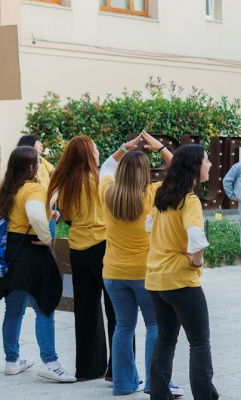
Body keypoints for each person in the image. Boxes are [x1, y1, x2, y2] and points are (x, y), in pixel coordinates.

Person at [98, 133, 184, 397]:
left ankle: (123, 384)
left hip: (113, 273)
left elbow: (106, 168)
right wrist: (160, 148)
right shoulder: (153, 194)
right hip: (146, 274)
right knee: (154, 326)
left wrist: (124, 147)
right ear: (145, 172)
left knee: (123, 326)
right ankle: (154, 383)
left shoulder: (107, 194)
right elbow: (180, 173)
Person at [146, 144, 217, 399]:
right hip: (181, 280)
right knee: (199, 342)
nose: (209, 165)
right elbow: (196, 238)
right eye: (206, 160)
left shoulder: (164, 195)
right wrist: (197, 262)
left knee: (165, 339)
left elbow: (148, 226)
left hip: (155, 279)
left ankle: (160, 395)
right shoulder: (189, 200)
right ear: (195, 166)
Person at [0, 146, 75, 382]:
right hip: (32, 252)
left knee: (13, 310)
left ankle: (12, 360)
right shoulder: (33, 188)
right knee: (45, 305)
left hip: (9, 252)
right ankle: (50, 362)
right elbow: (33, 215)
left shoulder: (6, 189)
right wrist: (46, 239)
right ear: (32, 166)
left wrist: (46, 214)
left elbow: (20, 216)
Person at [47, 135, 115, 381]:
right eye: (95, 148)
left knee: (86, 310)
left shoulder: (67, 183)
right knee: (115, 309)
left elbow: (67, 218)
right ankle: (117, 370)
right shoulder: (99, 180)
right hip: (102, 246)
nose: (97, 152)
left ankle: (88, 369)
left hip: (78, 249)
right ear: (88, 154)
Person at [16, 135, 56, 237]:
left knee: (50, 240)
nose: (41, 144)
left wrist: (55, 191)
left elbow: (56, 173)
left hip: (47, 207)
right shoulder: (22, 166)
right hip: (36, 207)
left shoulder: (42, 160)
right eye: (38, 142)